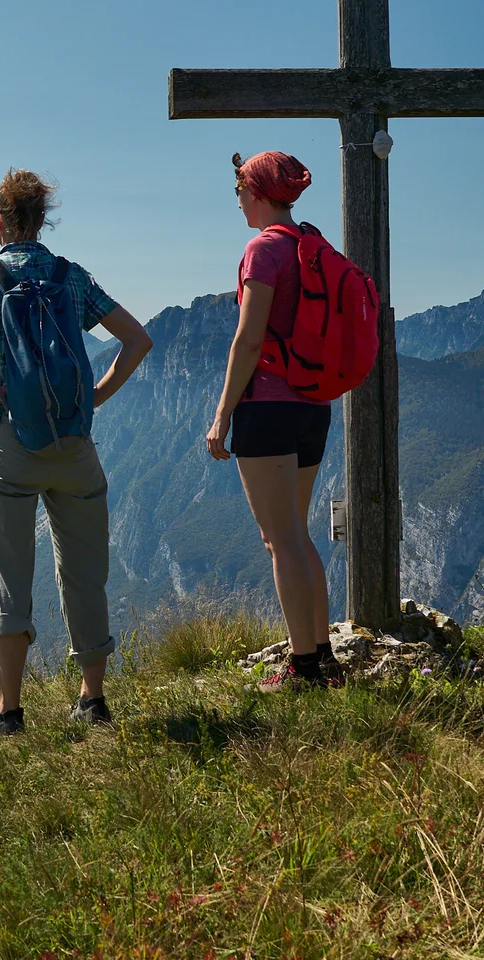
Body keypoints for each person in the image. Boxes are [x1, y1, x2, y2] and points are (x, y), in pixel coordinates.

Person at [0, 169, 153, 735]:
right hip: (74, 442)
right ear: (42, 220)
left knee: (8, 577)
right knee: (85, 574)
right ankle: (92, 699)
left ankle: (7, 712)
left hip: (9, 441)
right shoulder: (72, 276)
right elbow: (138, 339)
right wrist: (95, 398)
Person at [204, 151, 337, 691]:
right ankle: (324, 656)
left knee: (278, 540)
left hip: (267, 405)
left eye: (238, 192)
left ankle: (302, 669)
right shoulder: (311, 245)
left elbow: (250, 337)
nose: (237, 202)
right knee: (297, 534)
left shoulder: (262, 249)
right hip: (314, 405)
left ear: (256, 193)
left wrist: (221, 416)